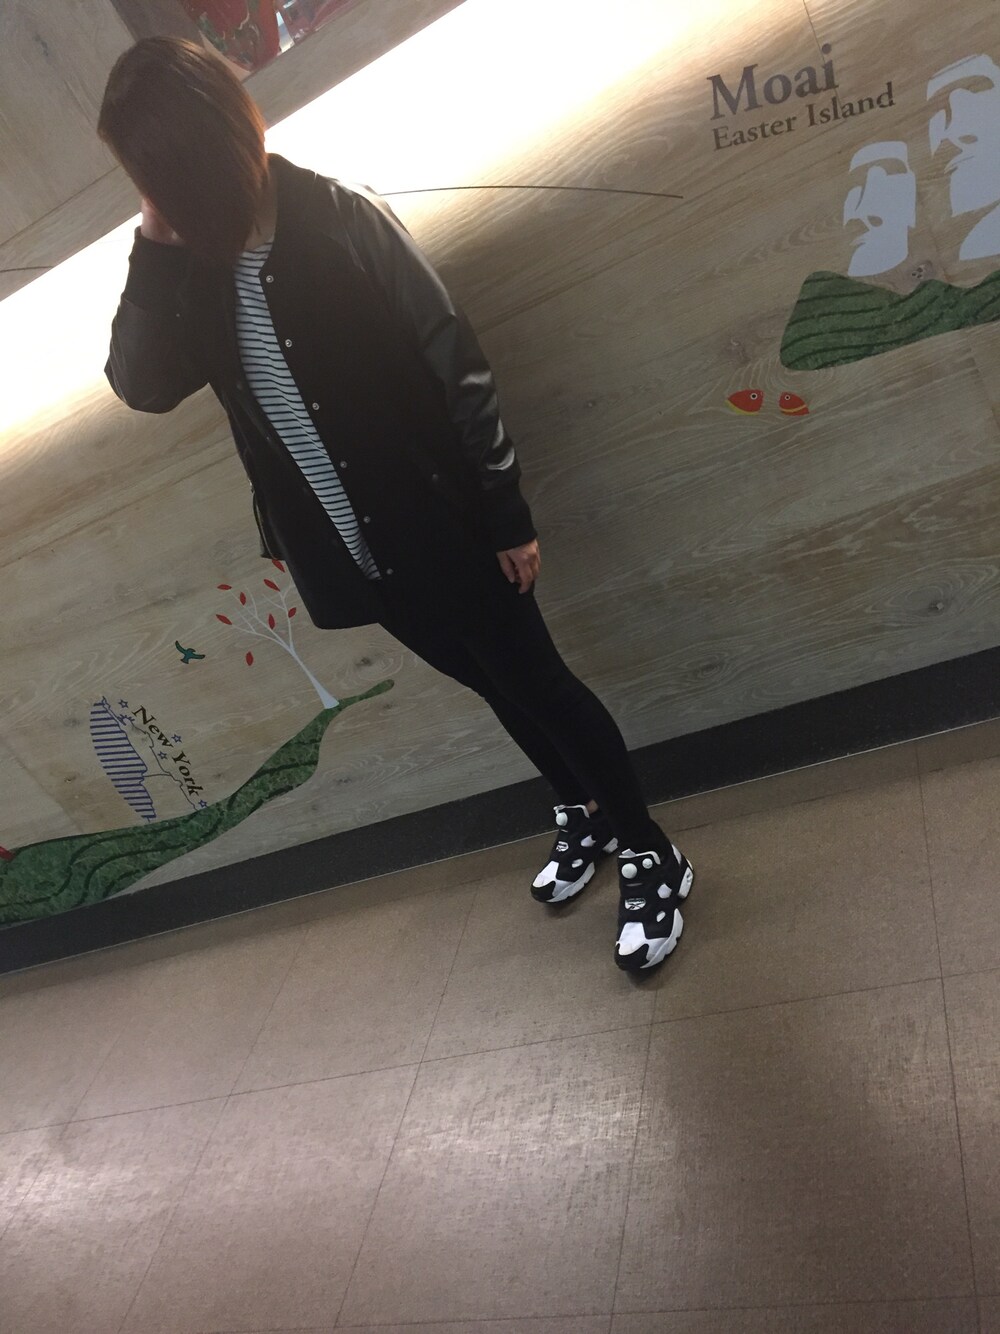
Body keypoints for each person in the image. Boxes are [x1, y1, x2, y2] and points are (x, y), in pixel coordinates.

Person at [98, 37, 694, 973]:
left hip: (443, 524)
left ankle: (650, 850)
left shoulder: (340, 218)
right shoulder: (192, 269)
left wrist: (504, 512)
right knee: (489, 682)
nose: (155, 196)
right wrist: (150, 244)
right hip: (347, 549)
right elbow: (140, 385)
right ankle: (582, 808)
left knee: (538, 681)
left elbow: (456, 362)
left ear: (205, 150)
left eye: (159, 176)